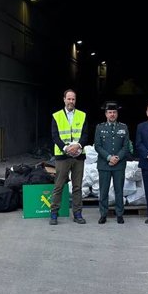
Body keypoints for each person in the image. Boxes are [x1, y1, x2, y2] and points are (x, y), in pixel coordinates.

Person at [49, 89, 89, 225]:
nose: (71, 101)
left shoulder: (82, 115)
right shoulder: (56, 116)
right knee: (59, 186)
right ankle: (54, 214)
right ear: (64, 99)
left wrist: (77, 146)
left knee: (77, 186)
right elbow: (55, 135)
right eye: (69, 99)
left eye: (73, 99)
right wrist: (66, 148)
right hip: (62, 156)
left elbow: (85, 134)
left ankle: (77, 214)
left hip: (78, 156)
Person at [94, 101, 130, 224]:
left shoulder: (123, 127)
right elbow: (97, 146)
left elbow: (126, 146)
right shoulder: (100, 127)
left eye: (114, 112)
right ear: (106, 114)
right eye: (110, 112)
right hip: (104, 164)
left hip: (119, 165)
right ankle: (103, 214)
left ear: (117, 114)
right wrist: (109, 157)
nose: (112, 114)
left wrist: (117, 158)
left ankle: (119, 214)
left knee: (119, 190)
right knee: (103, 191)